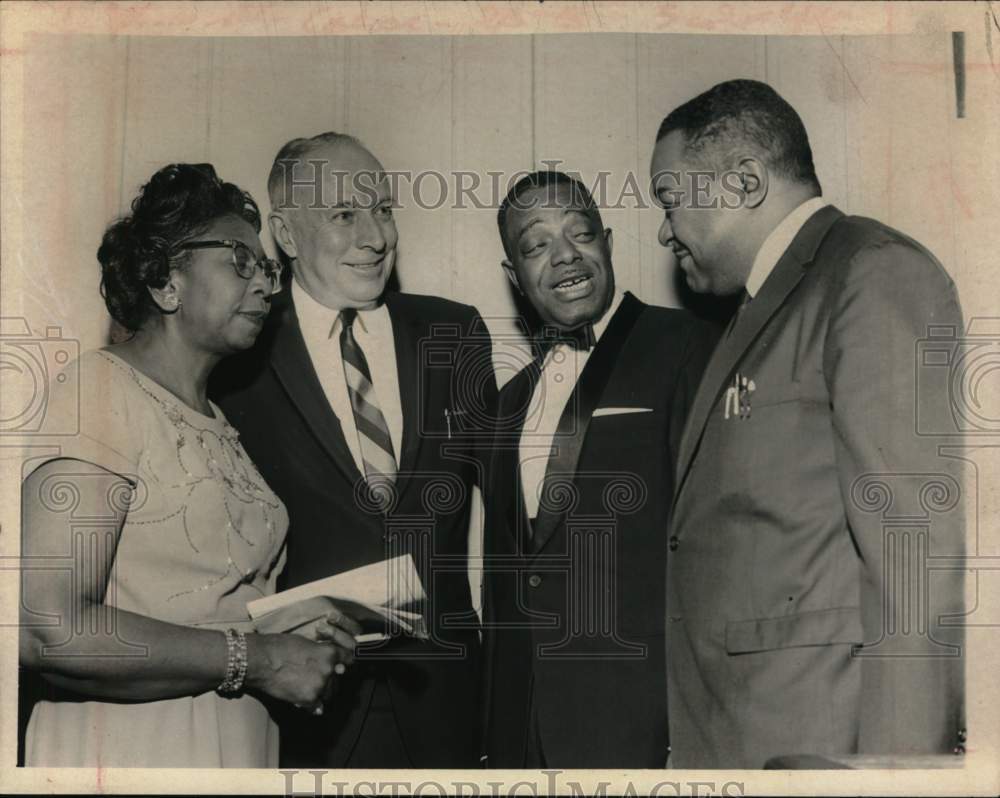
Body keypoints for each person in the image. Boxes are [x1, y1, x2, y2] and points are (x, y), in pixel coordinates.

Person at [650, 79, 966, 768]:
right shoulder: (752, 313)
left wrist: (898, 778)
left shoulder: (870, 273)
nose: (664, 229)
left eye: (672, 201)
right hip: (744, 743)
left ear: (742, 182)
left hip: (818, 749)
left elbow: (913, 556)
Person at [18, 163, 359, 768]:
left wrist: (289, 633)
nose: (265, 286)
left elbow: (199, 599)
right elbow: (47, 626)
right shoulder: (101, 389)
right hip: (131, 752)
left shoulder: (223, 425)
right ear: (164, 281)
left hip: (237, 744)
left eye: (268, 269)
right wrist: (258, 658)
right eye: (238, 261)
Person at [212, 133, 497, 768]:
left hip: (446, 701)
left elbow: (508, 515)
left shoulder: (454, 331)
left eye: (384, 209)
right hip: (308, 709)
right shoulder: (239, 351)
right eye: (344, 214)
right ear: (287, 236)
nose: (376, 236)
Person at [481, 170, 716, 768]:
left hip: (641, 722)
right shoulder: (508, 400)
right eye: (536, 245)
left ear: (607, 242)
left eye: (580, 233)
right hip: (523, 730)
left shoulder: (688, 345)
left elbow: (716, 546)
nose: (564, 256)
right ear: (514, 276)